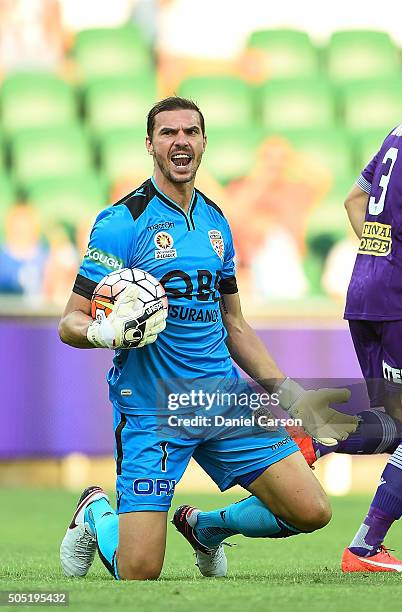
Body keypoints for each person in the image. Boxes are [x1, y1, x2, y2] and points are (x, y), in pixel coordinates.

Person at [58, 96, 357, 581]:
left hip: (221, 400)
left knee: (312, 511)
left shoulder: (217, 222)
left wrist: (297, 401)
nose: (181, 141)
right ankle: (96, 513)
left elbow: (235, 325)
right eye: (169, 133)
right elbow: (69, 321)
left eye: (190, 132)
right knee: (139, 572)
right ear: (150, 144)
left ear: (202, 143)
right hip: (153, 408)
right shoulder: (121, 223)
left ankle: (207, 527)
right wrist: (102, 329)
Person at [295, 121, 402, 572]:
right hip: (399, 302)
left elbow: (354, 199)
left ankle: (314, 437)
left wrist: (384, 256)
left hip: (365, 294)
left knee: (398, 427)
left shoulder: (397, 134)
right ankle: (364, 547)